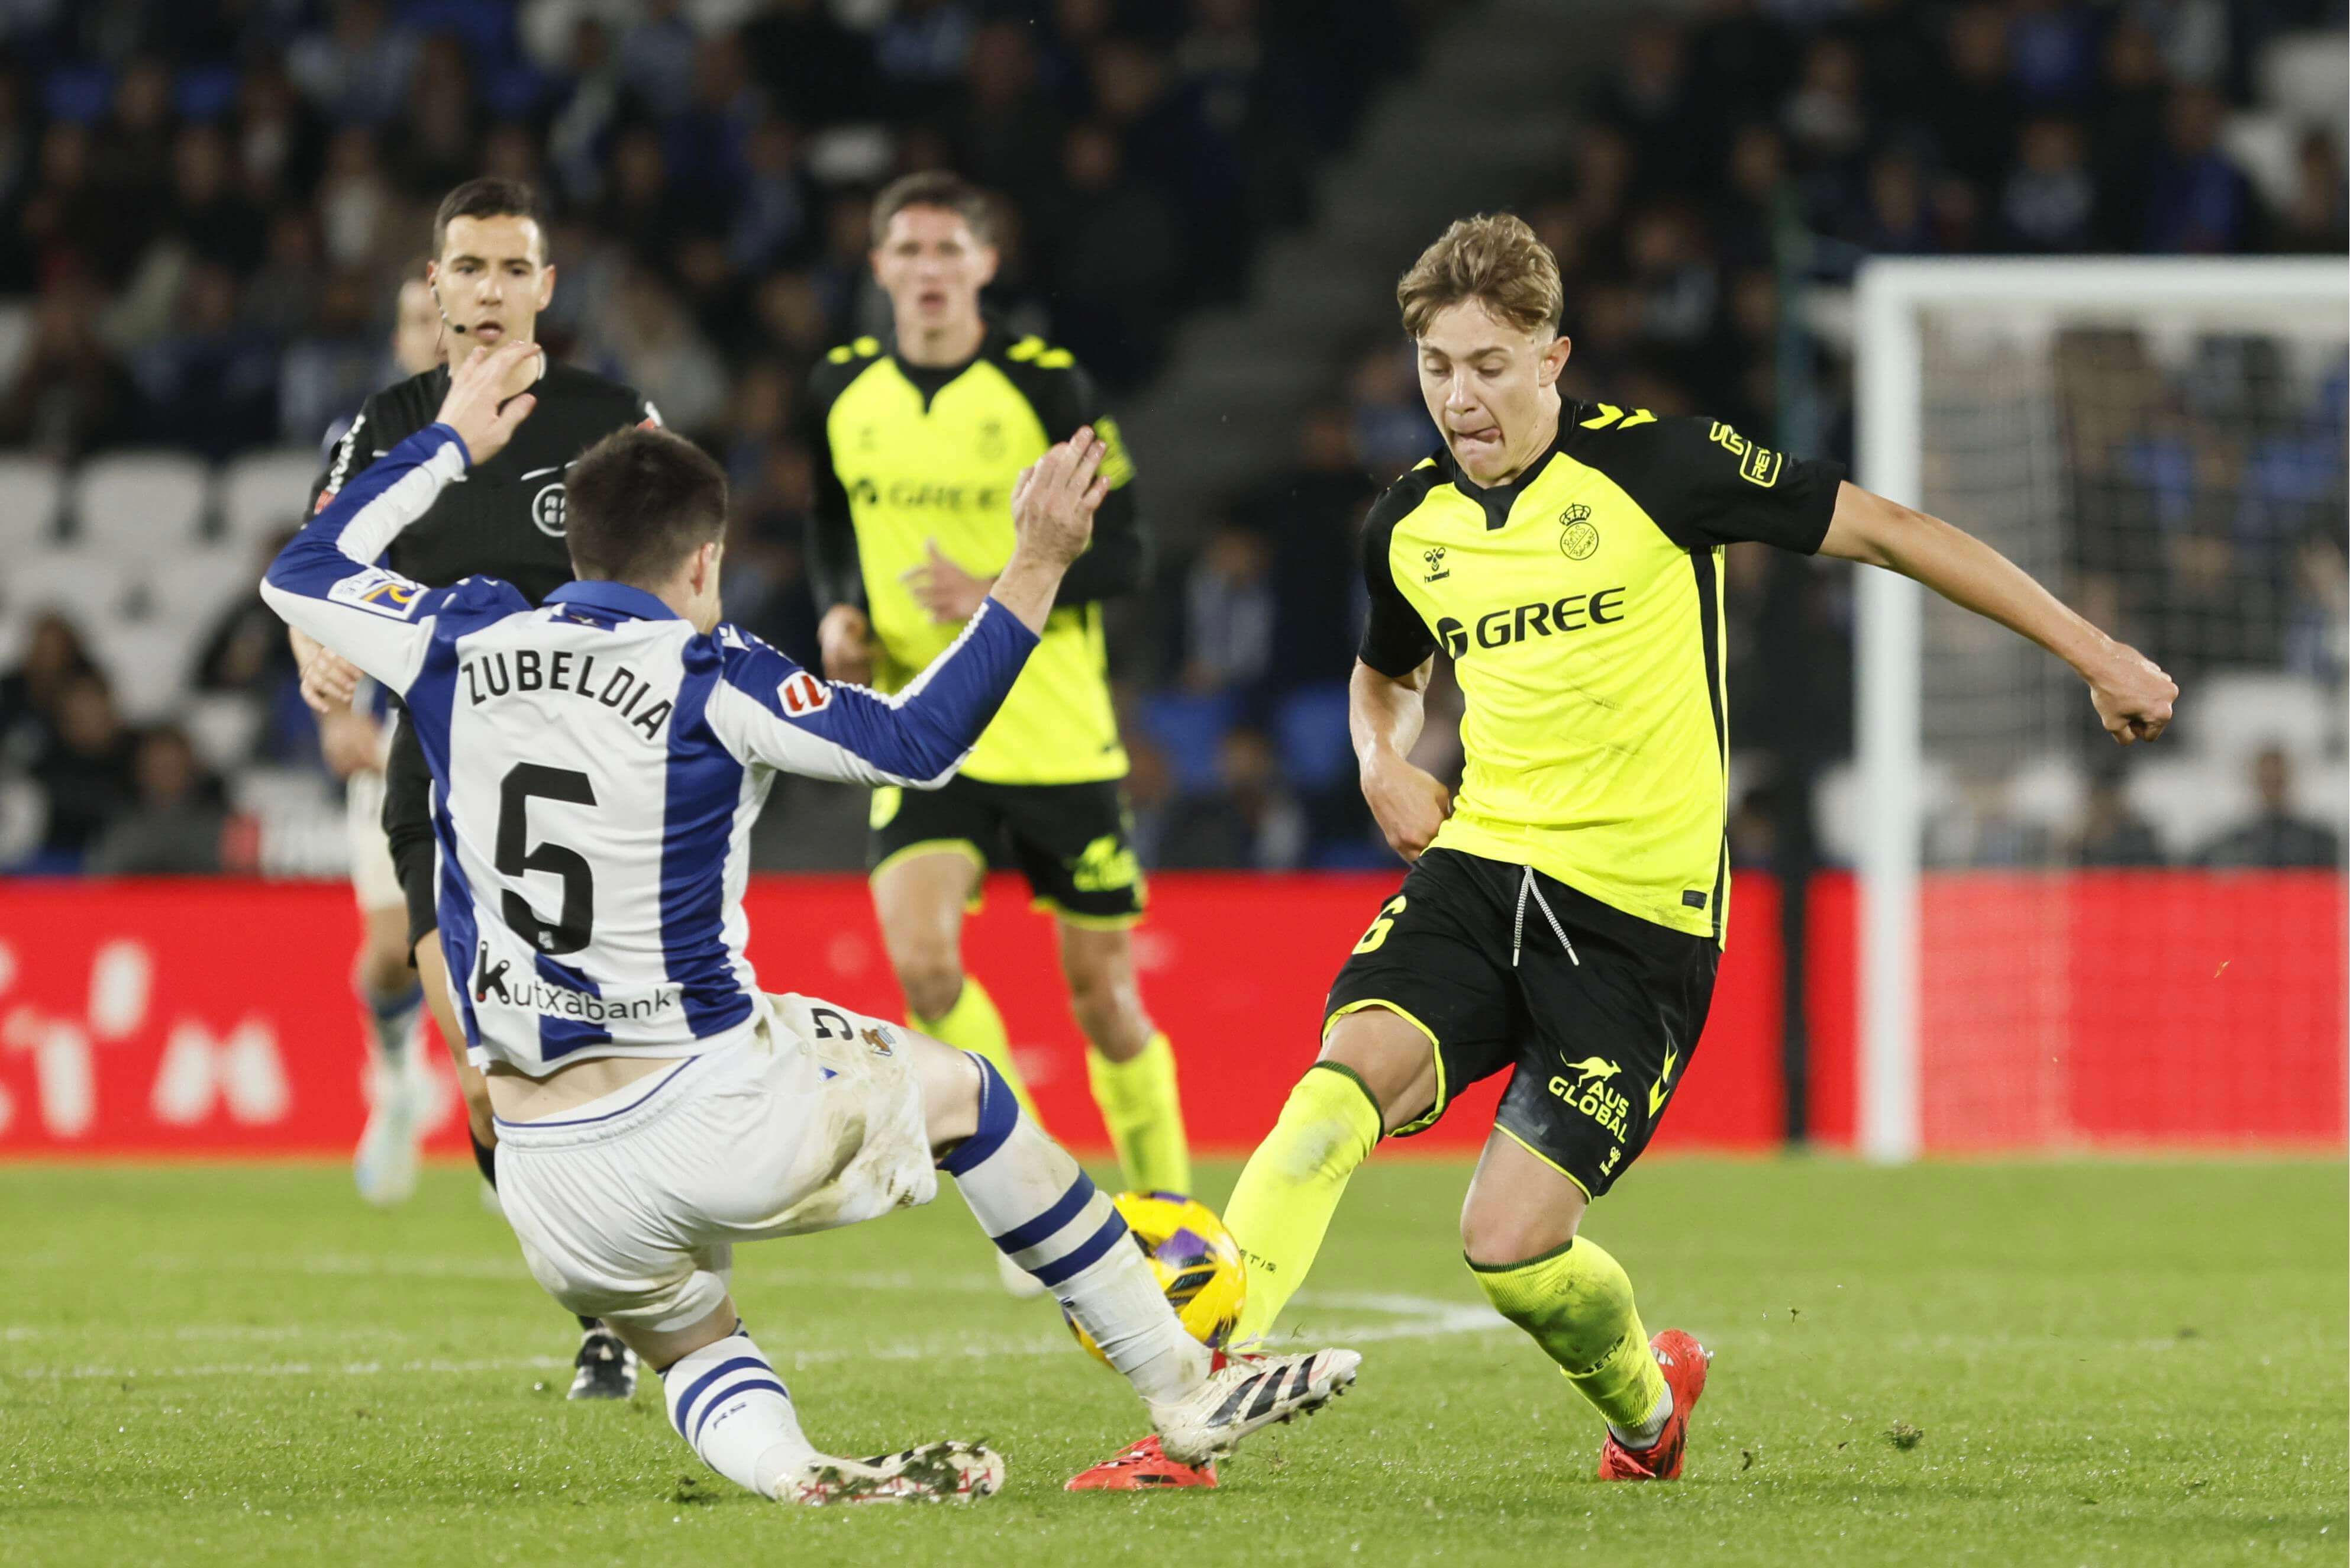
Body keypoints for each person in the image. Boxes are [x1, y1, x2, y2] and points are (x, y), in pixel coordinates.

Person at [1071, 212, 2179, 1489]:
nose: (1461, 395)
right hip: (1483, 871)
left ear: (1555, 358)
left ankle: (1651, 1409)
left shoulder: (1662, 470)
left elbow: (1886, 529)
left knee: (1512, 1247)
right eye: (1437, 365)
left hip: (1641, 923)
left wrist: (2098, 654)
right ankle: (1193, 1414)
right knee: (1337, 1088)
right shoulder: (1408, 523)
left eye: (1491, 364)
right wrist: (1383, 760)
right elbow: (1386, 679)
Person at [259, 337, 1360, 1505]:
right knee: (971, 1096)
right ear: (704, 561)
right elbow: (919, 740)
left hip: (543, 1165)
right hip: (708, 1103)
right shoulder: (708, 669)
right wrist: (1034, 562)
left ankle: (798, 1473)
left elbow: (305, 565)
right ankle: (1182, 1384)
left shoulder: (453, 635)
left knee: (691, 1333)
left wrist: (445, 447)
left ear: (575, 545)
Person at [295, 176, 660, 1398]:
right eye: (469, 268)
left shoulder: (615, 419)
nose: (491, 291)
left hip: (598, 778)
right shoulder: (389, 424)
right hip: (445, 776)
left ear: (547, 288)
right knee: (488, 1065)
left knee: (627, 1062)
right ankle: (596, 1293)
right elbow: (316, 563)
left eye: (514, 269)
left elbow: (686, 575)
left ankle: (643, 1292)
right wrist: (317, 650)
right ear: (436, 286)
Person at [804, 171, 1187, 1295]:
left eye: (946, 249)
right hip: (922, 730)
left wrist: (1001, 581)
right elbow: (834, 514)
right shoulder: (839, 388)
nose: (926, 269)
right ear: (877, 268)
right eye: (906, 250)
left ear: (983, 263)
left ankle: (1173, 1216)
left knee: (1105, 1000)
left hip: (1057, 731)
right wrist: (838, 606)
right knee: (922, 965)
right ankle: (1029, 1187)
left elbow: (1130, 550)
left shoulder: (1042, 381)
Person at [317, 266, 453, 1209]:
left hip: (506, 715)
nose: (438, 337)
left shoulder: (546, 435)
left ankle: (515, 1122)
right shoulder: (364, 442)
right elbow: (318, 572)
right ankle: (397, 1074)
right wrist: (333, 710)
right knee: (392, 949)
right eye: (418, 321)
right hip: (398, 720)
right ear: (399, 338)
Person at [2197, 746, 2341, 868]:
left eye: (2277, 780)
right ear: (2256, 780)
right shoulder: (2232, 845)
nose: (2272, 787)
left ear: (2288, 779)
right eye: (2267, 780)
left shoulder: (2320, 843)